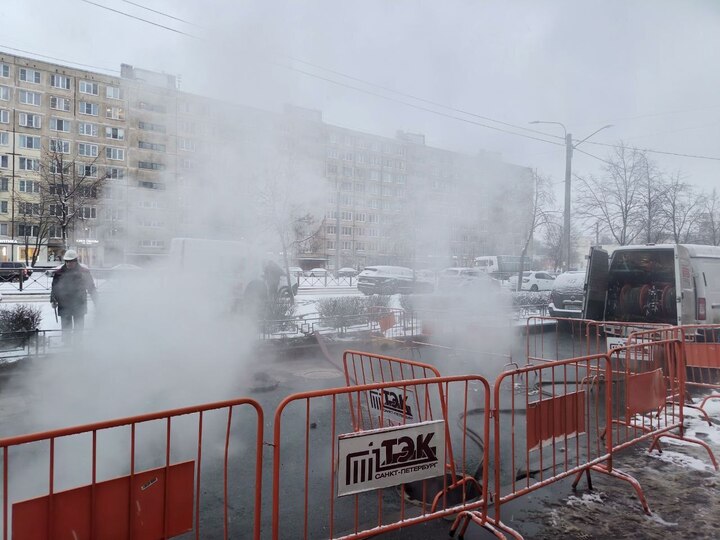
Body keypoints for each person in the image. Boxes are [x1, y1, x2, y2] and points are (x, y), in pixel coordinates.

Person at [50, 250, 97, 334]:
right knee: (66, 330)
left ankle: (78, 341)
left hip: (79, 303)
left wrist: (96, 301)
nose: (68, 263)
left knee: (78, 330)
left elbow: (91, 287)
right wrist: (53, 299)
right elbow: (55, 287)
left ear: (76, 261)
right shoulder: (59, 273)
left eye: (71, 261)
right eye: (67, 261)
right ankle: (66, 341)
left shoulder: (84, 272)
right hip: (64, 304)